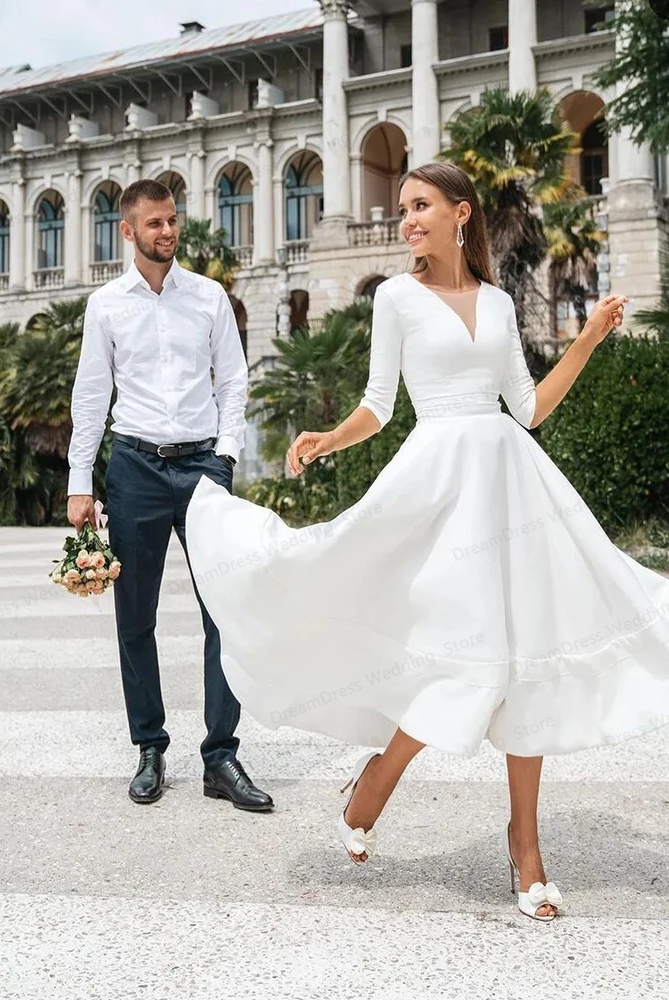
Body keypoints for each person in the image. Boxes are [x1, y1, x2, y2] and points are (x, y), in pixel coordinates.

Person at [185, 161, 669, 922]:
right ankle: (379, 777)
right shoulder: (398, 299)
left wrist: (589, 338)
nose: (407, 218)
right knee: (464, 652)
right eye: (403, 206)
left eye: (420, 205)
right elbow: (380, 405)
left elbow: (530, 408)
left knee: (524, 658)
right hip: (440, 488)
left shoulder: (502, 304)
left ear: (461, 214)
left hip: (511, 484)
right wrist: (331, 438)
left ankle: (527, 844)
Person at [66, 178, 273, 813]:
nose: (168, 232)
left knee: (225, 611)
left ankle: (221, 756)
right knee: (136, 616)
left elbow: (234, 381)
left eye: (172, 220)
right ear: (127, 231)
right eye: (154, 224)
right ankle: (150, 748)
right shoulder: (106, 306)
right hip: (134, 467)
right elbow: (91, 396)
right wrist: (79, 483)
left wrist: (227, 456)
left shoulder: (208, 297)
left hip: (204, 465)